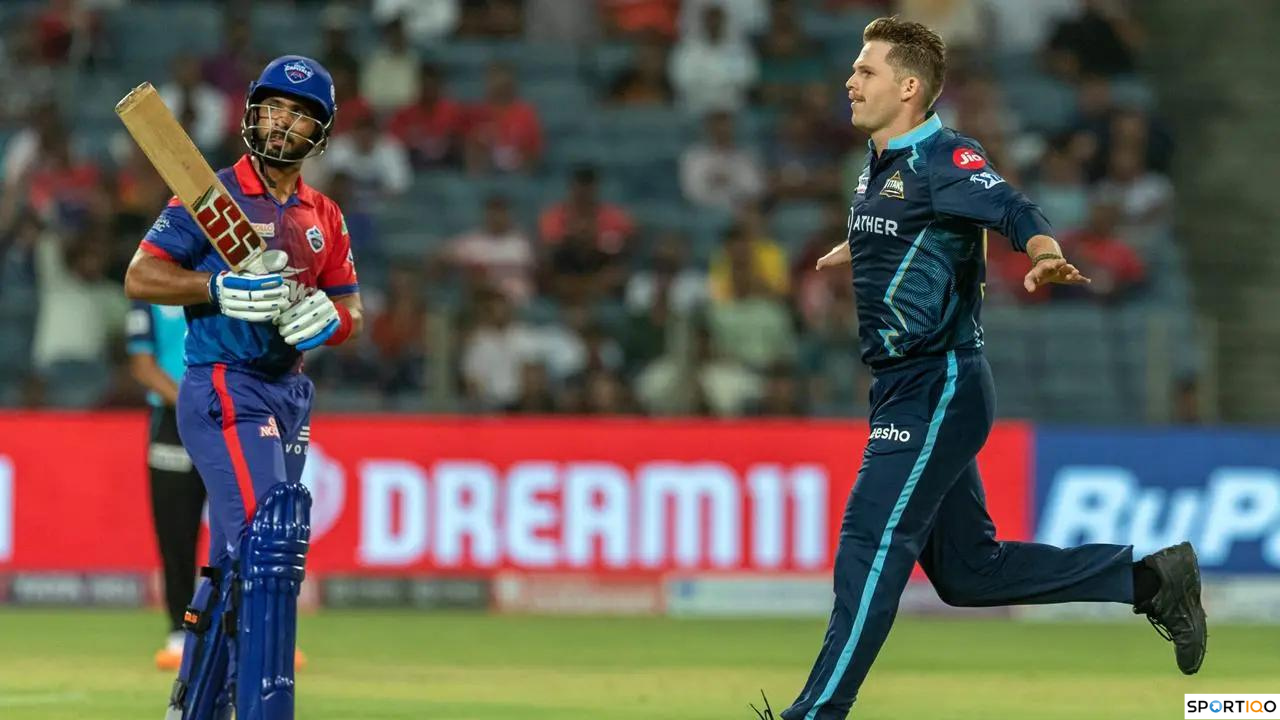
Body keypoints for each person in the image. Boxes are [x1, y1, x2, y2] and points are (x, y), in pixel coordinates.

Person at [761, 18, 1205, 720]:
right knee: (969, 573)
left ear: (909, 88)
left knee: (870, 540)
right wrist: (856, 248)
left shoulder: (945, 156)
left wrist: (1041, 250)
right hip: (905, 388)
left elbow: (1009, 205)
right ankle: (1150, 581)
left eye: (866, 71)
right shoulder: (880, 165)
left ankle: (816, 713)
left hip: (937, 383)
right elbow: (903, 224)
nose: (850, 80)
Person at [124, 55, 362, 720]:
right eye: (274, 107)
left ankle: (194, 708)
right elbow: (141, 276)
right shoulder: (209, 198)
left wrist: (332, 320)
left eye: (300, 113)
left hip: (289, 392)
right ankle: (262, 709)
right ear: (252, 112)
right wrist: (218, 286)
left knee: (238, 557)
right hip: (224, 384)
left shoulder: (326, 215)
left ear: (322, 131)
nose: (283, 122)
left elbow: (351, 306)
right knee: (271, 543)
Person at [125, 300, 205, 672]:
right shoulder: (148, 293)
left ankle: (246, 627)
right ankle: (181, 630)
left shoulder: (226, 279)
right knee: (176, 531)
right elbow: (142, 365)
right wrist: (191, 403)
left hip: (230, 417)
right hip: (173, 422)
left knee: (242, 528)